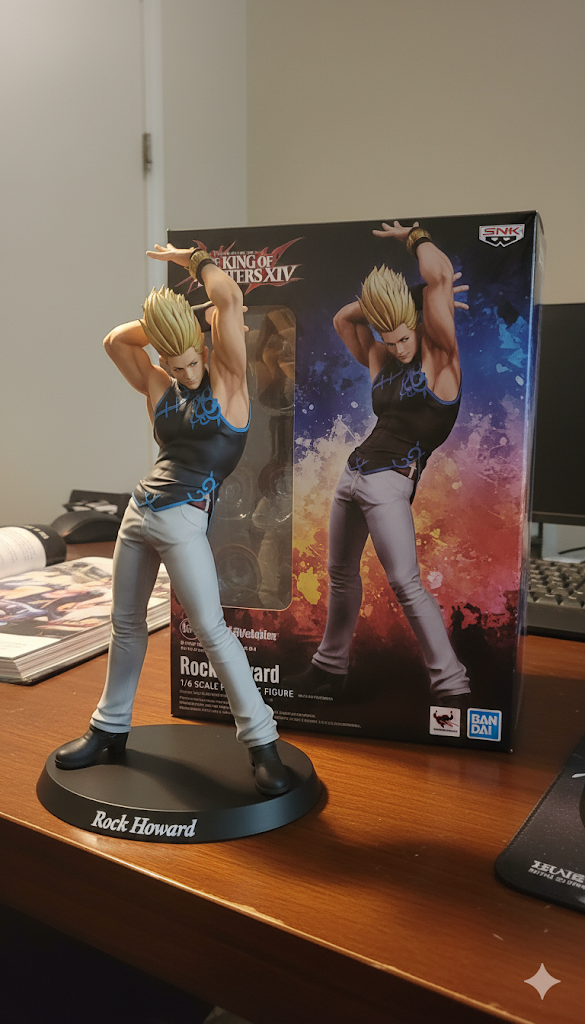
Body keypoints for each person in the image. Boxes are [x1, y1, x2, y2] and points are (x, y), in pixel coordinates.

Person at [55, 246, 289, 795]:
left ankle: (262, 743)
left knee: (211, 630)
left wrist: (196, 261)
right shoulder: (161, 387)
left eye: (190, 362)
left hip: (186, 518)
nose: (184, 372)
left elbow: (229, 298)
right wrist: (169, 323)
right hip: (138, 512)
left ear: (206, 350)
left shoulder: (229, 383)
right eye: (174, 363)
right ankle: (109, 728)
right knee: (125, 625)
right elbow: (116, 342)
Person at [294, 221, 471, 706]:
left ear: (418, 324)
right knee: (340, 574)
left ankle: (452, 683)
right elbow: (343, 319)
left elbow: (439, 277)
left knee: (405, 584)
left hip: (392, 481)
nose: (397, 348)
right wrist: (394, 306)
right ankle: (330, 666)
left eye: (403, 338)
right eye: (389, 340)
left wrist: (416, 242)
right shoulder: (383, 359)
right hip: (352, 475)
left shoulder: (440, 358)